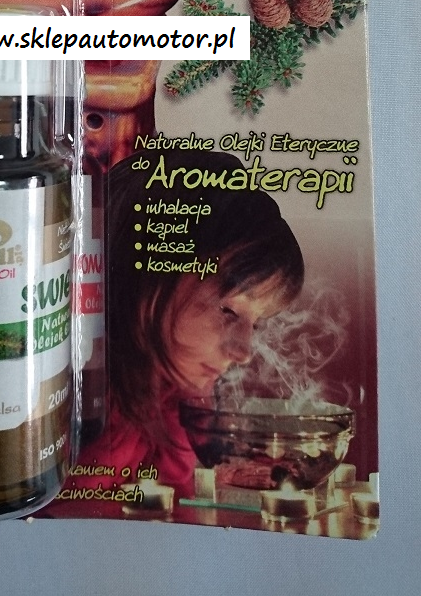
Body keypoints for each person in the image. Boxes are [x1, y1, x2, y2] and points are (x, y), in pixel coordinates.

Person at [73, 149, 305, 504]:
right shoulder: (72, 404)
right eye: (229, 310)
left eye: (255, 325)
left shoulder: (174, 401)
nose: (243, 352)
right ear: (145, 275)